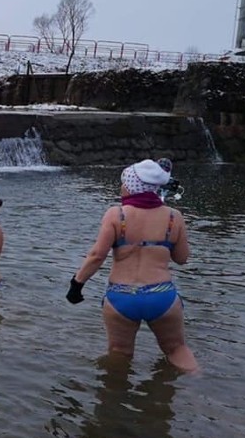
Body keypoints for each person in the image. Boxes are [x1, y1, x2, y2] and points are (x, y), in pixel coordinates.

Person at [66, 159, 198, 372]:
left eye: (124, 183)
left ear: (131, 186)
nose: (122, 187)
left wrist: (77, 284)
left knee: (119, 354)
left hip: (122, 296)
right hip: (161, 294)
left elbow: (97, 255)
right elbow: (182, 258)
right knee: (176, 349)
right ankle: (196, 394)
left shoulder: (116, 214)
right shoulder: (175, 217)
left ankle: (115, 400)